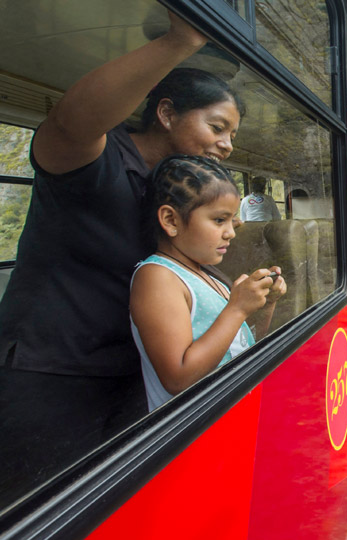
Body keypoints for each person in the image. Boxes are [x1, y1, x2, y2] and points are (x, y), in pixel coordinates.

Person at [0, 10, 243, 504]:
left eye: (232, 135)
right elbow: (69, 123)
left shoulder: (173, 196)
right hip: (52, 375)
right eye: (217, 126)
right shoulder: (96, 160)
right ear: (167, 113)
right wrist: (180, 40)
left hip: (129, 374)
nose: (227, 144)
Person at [131, 155, 285, 411]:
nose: (231, 232)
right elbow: (178, 377)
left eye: (231, 220)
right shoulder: (157, 278)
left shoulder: (205, 275)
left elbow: (241, 344)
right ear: (171, 220)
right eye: (219, 220)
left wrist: (265, 304)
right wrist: (237, 308)